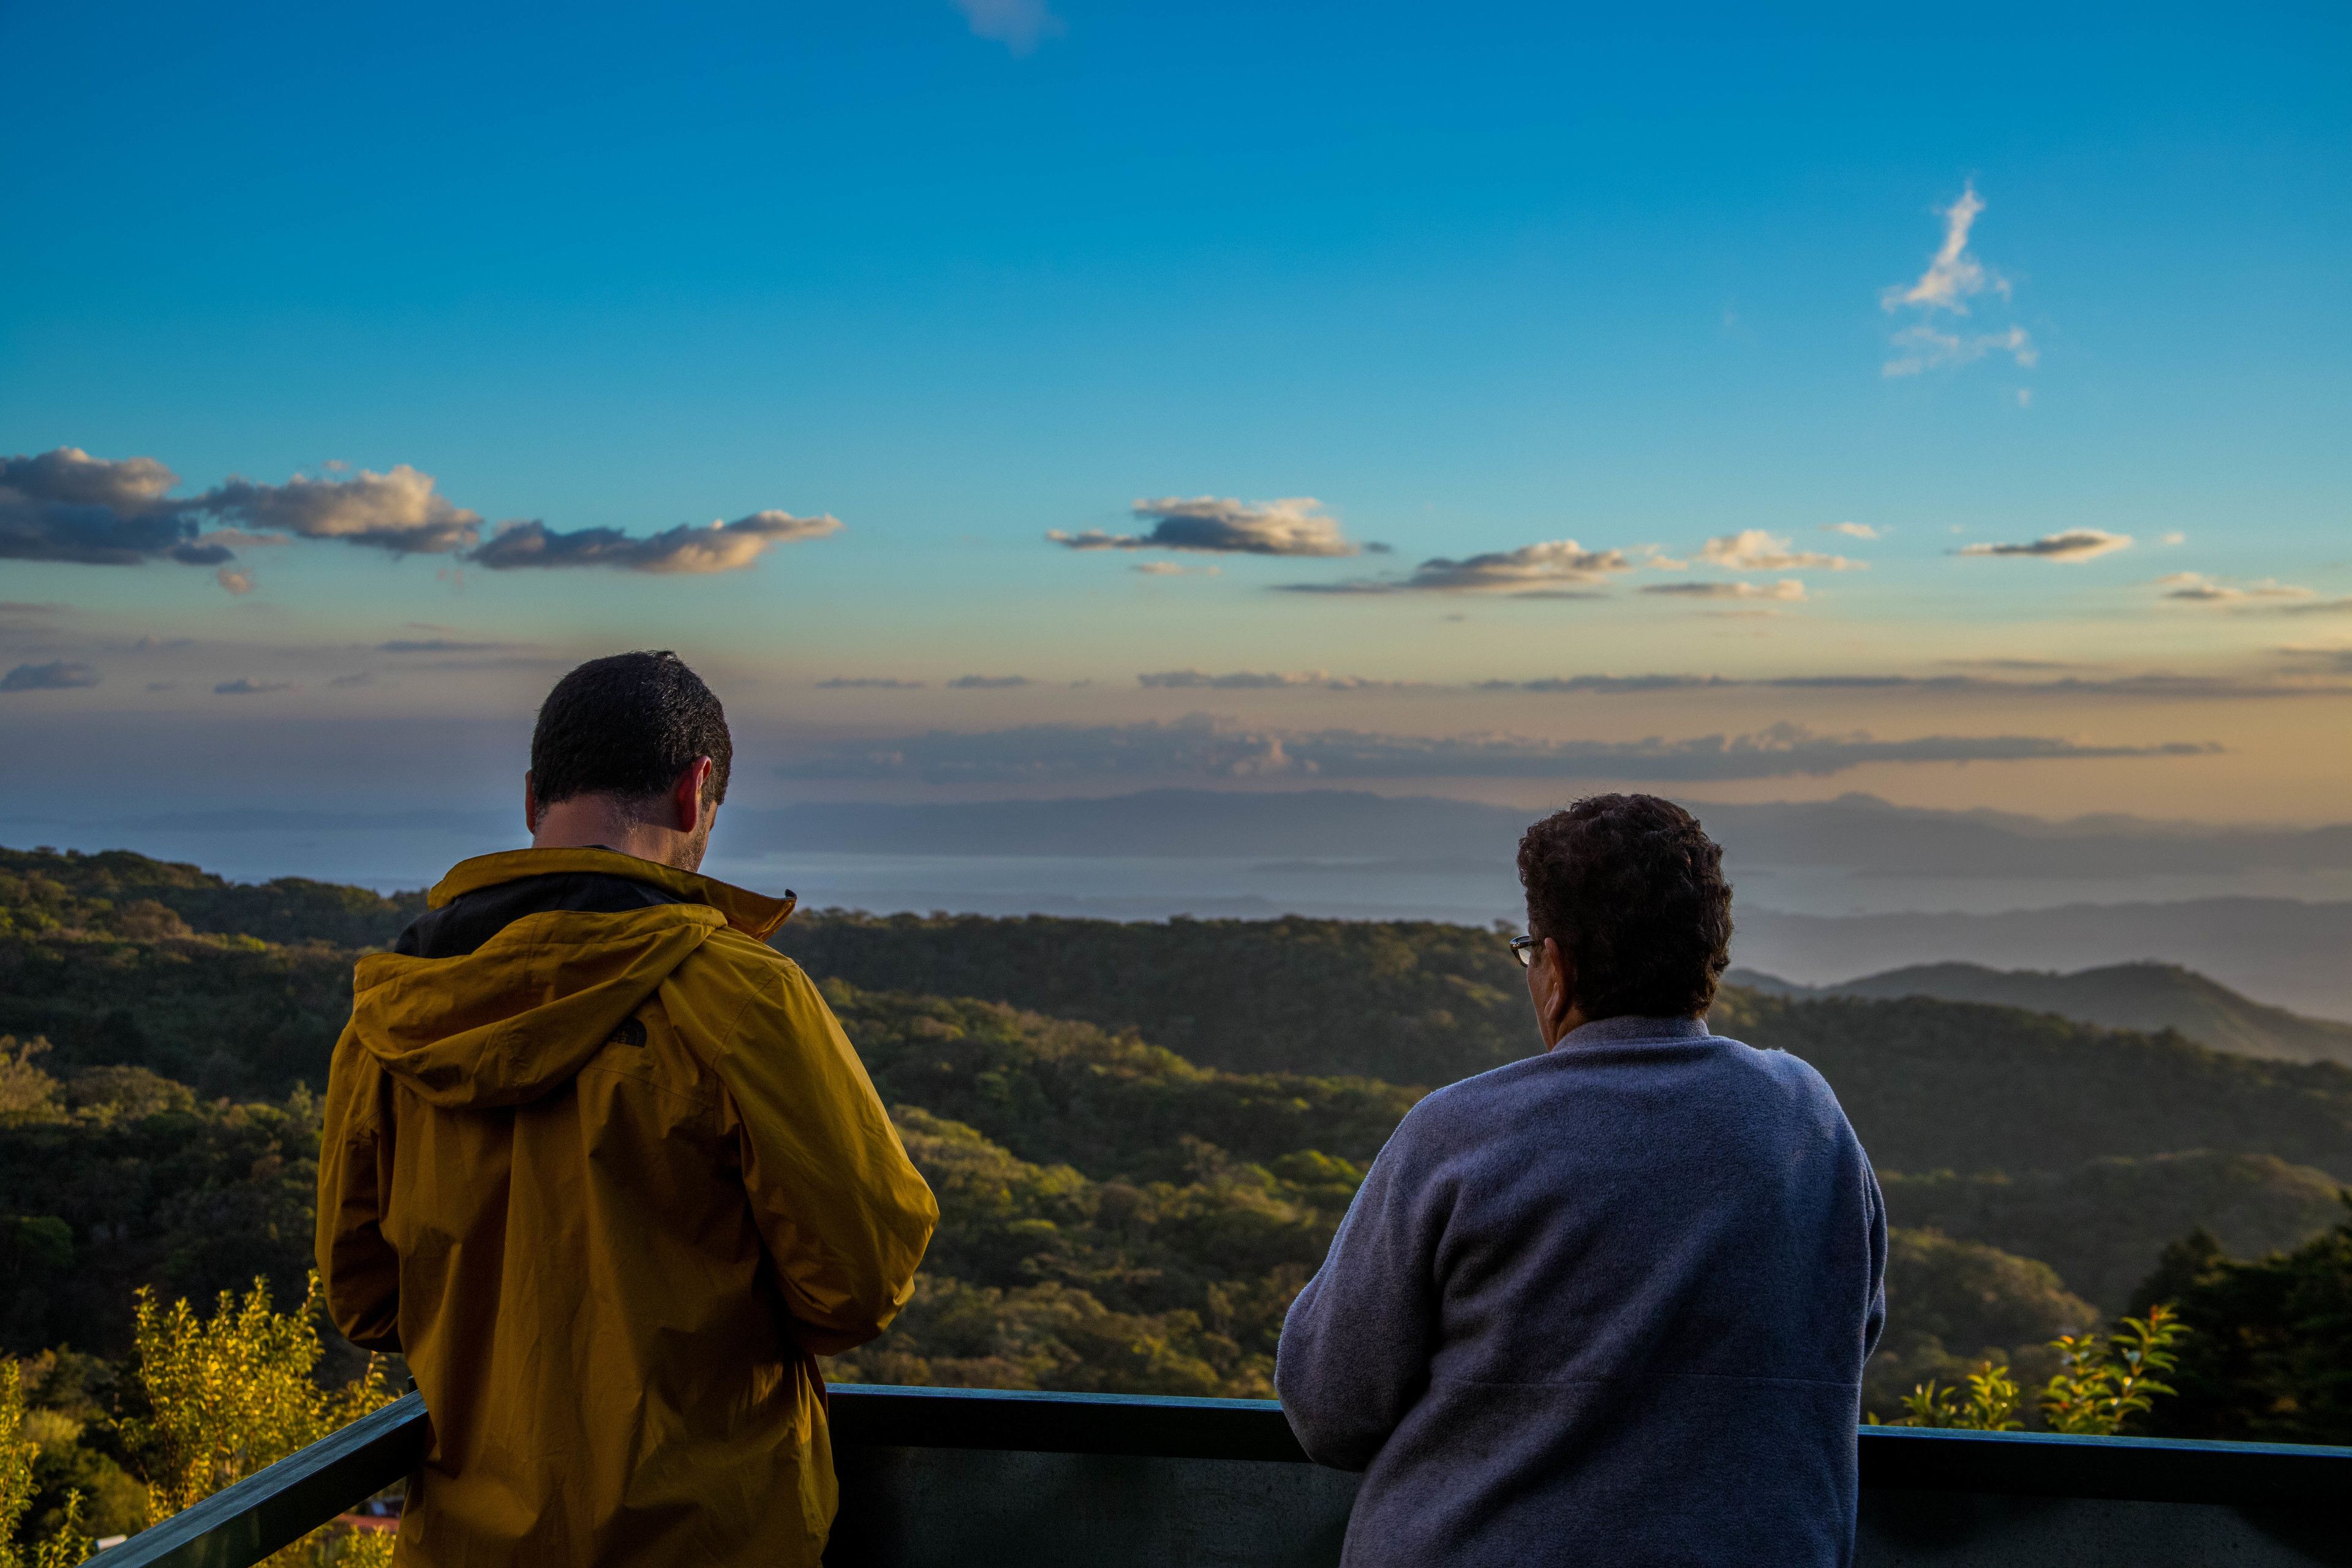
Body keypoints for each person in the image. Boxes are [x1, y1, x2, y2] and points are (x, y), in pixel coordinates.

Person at [317, 650, 937, 1567]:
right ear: (696, 794)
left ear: (533, 799)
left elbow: (365, 1302)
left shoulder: (391, 1020)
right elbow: (862, 1279)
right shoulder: (741, 1000)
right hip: (710, 1539)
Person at [1276, 793, 1886, 1567]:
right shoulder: (1809, 1120)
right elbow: (1848, 1331)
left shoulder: (1459, 1133)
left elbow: (1329, 1409)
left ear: (1556, 969)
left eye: (1532, 951)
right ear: (1707, 958)